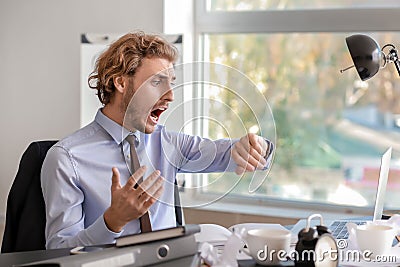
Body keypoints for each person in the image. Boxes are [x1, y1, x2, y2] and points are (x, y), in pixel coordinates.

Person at [41, 31, 274, 249]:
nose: (170, 95)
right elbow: (59, 250)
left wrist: (255, 146)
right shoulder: (66, 158)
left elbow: (227, 153)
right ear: (120, 83)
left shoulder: (168, 143)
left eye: (170, 82)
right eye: (156, 82)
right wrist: (112, 221)